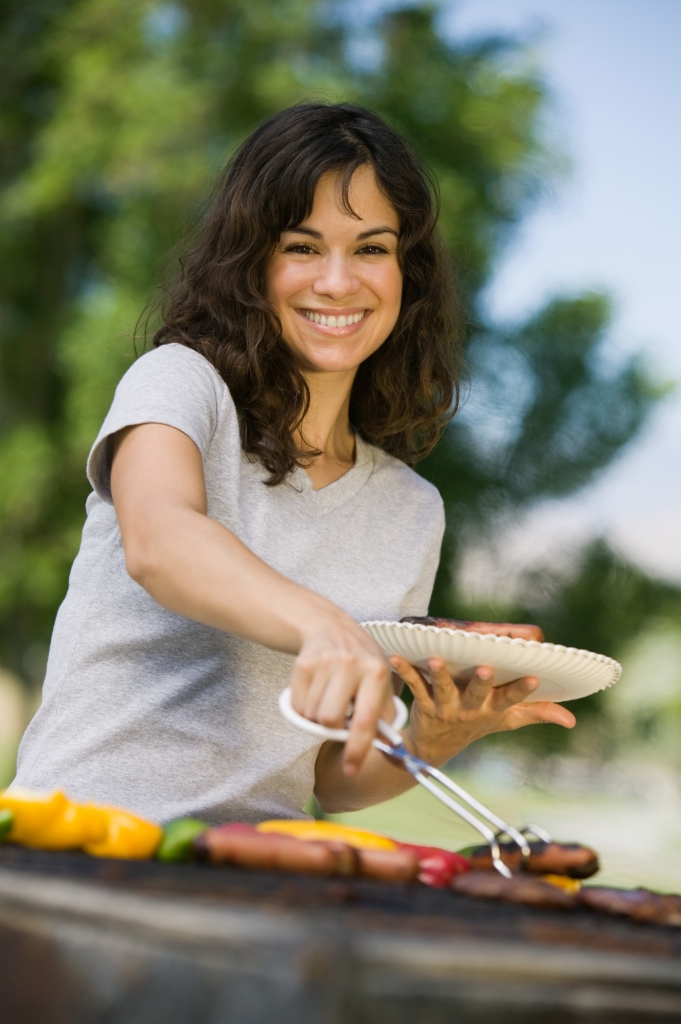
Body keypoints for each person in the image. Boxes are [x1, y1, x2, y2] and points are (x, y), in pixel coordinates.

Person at [13, 104, 574, 825]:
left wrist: (435, 735)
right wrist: (324, 625)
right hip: (75, 846)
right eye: (302, 247)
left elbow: (332, 778)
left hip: (255, 878)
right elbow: (159, 540)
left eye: (371, 249)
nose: (338, 283)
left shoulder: (409, 509)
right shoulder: (178, 386)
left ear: (408, 273)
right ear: (251, 262)